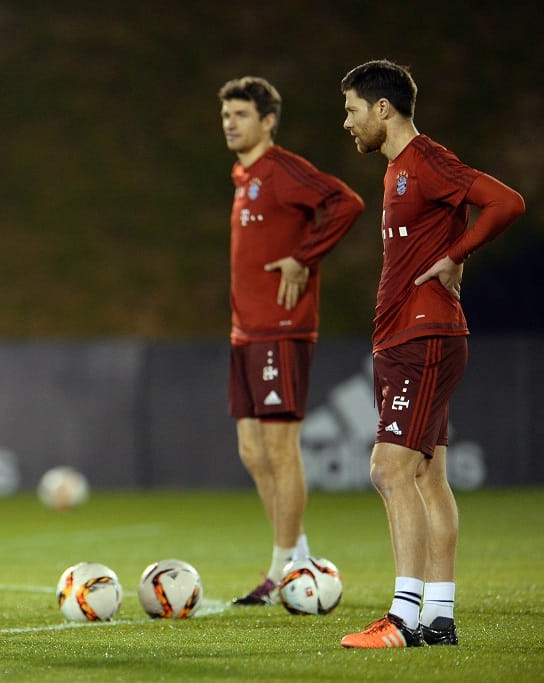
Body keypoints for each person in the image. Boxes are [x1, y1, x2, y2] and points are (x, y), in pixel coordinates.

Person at [339, 60, 525, 648]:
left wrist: (458, 254)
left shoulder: (425, 160)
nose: (347, 122)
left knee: (388, 470)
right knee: (427, 477)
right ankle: (439, 617)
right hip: (412, 337)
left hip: (421, 338)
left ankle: (402, 618)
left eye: (351, 109)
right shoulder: (398, 169)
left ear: (382, 109)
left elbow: (506, 202)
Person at [218, 77, 364, 605]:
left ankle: (282, 567)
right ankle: (296, 557)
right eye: (226, 114)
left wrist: (305, 258)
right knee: (252, 450)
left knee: (281, 449)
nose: (230, 122)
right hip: (245, 331)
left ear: (268, 121)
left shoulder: (281, 169)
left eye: (241, 114)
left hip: (281, 329)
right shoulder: (244, 175)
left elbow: (346, 202)